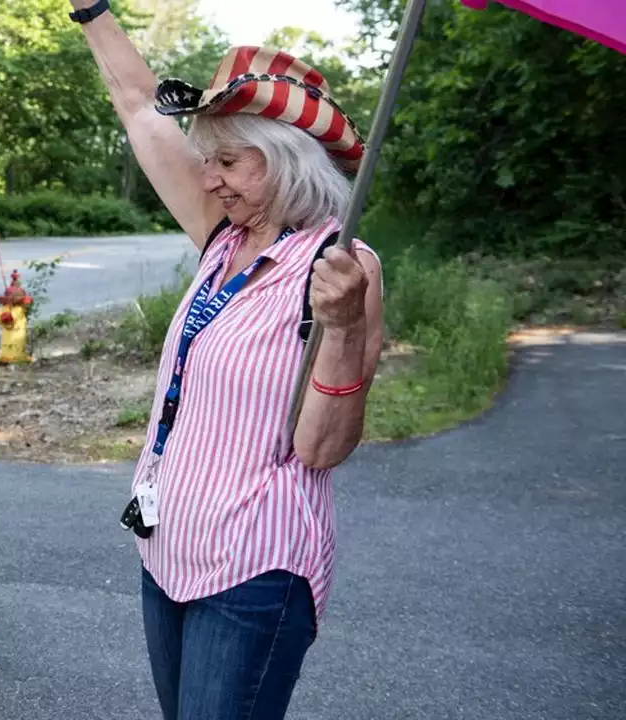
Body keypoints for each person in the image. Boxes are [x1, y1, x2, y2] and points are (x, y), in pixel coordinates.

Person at [69, 3, 385, 718]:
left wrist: (339, 328)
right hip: (167, 546)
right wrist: (92, 11)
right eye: (206, 159)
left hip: (252, 569)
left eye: (229, 161)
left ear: (288, 159)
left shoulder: (342, 267)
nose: (208, 178)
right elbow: (138, 107)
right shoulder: (221, 238)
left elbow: (322, 447)